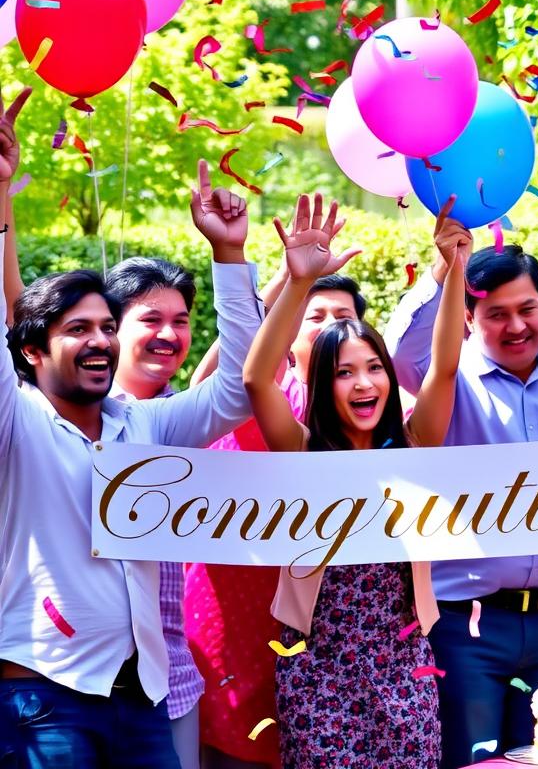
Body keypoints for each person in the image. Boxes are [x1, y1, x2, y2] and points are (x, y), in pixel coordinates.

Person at [0, 87, 263, 768]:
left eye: (108, 329)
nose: (99, 342)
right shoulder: (17, 422)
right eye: (77, 330)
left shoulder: (140, 425)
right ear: (31, 350)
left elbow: (237, 389)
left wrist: (230, 254)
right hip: (44, 702)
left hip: (141, 702)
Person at [384, 201, 538, 769]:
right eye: (496, 313)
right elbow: (401, 354)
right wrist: (444, 271)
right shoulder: (447, 378)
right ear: (469, 318)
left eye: (528, 309)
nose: (516, 326)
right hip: (466, 625)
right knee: (470, 763)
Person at [242, 193, 466, 768]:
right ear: (322, 385)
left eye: (373, 368)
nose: (363, 382)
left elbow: (443, 367)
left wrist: (455, 268)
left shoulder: (413, 447)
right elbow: (256, 381)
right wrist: (297, 284)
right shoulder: (302, 453)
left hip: (404, 667)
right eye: (344, 372)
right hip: (316, 670)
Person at [186, 272, 367, 769]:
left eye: (344, 317)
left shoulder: (374, 410)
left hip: (331, 632)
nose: (330, 325)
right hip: (237, 610)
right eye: (315, 316)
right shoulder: (261, 396)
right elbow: (208, 385)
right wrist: (290, 281)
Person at [103, 257, 205, 769]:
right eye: (150, 320)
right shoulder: (67, 415)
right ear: (110, 328)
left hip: (172, 676)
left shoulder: (189, 420)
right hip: (77, 682)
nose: (168, 334)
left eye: (181, 320)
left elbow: (240, 379)